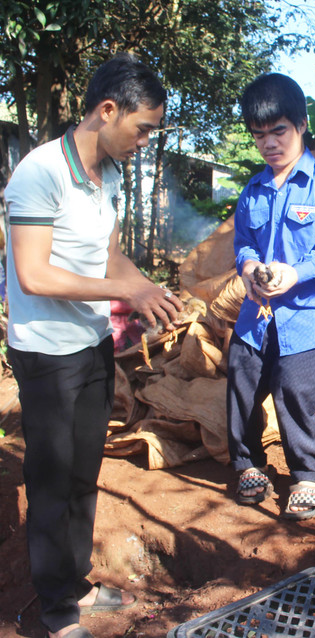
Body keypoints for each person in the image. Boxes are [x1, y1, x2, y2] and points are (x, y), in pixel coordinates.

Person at [4, 54, 183, 638]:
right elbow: (34, 274)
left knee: (84, 470)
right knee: (53, 480)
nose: (145, 140)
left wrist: (145, 287)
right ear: (107, 111)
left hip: (90, 345)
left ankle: (75, 583)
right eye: (143, 128)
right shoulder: (40, 172)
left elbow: (108, 258)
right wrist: (122, 293)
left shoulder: (106, 178)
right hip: (46, 353)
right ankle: (56, 613)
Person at [227, 73, 315, 521]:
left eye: (278, 131)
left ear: (301, 125)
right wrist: (248, 268)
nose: (269, 144)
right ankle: (249, 465)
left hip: (311, 312)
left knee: (295, 392)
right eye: (259, 135)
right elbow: (243, 242)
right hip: (257, 312)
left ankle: (306, 476)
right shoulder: (253, 189)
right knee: (242, 381)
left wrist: (293, 273)